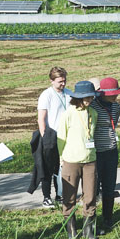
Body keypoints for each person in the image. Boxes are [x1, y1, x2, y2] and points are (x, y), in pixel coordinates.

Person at [56, 80, 99, 239]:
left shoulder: (93, 113)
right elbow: (61, 138)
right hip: (71, 160)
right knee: (69, 196)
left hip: (90, 160)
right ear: (78, 97)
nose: (89, 100)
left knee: (90, 195)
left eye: (91, 97)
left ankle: (88, 230)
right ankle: (71, 230)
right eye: (85, 97)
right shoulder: (68, 113)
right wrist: (61, 158)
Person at [92, 77, 120, 234]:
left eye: (116, 93)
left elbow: (113, 125)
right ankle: (92, 221)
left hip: (111, 150)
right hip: (96, 152)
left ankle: (108, 218)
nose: (114, 97)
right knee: (93, 188)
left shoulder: (116, 107)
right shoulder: (92, 107)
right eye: (111, 94)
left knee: (109, 186)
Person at [36, 66, 69, 208]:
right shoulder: (46, 95)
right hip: (51, 135)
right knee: (48, 168)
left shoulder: (69, 94)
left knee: (62, 167)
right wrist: (45, 138)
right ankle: (46, 196)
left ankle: (60, 194)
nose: (63, 84)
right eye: (60, 81)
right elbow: (41, 119)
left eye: (64, 81)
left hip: (66, 136)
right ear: (52, 81)